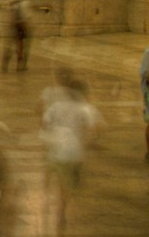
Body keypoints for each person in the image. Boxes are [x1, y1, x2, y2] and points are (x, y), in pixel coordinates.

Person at [41, 71, 101, 233]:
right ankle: (61, 210)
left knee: (53, 175)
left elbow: (45, 122)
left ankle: (46, 200)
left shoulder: (56, 106)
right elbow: (92, 131)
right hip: (72, 153)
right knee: (66, 186)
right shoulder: (85, 109)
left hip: (55, 150)